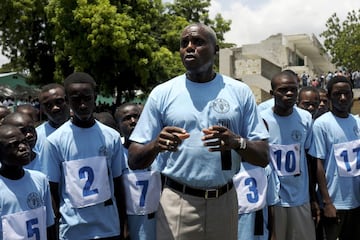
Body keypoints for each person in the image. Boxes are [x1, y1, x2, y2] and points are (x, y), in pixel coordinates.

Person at [128, 23, 269, 240]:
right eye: (184, 43)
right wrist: (156, 144)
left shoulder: (239, 92)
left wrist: (236, 142)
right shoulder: (162, 93)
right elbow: (134, 159)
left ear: (216, 49)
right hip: (178, 201)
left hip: (225, 199)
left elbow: (262, 156)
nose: (190, 47)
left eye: (198, 42)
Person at [41, 72, 126, 239]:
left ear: (95, 96)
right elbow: (52, 190)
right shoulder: (55, 141)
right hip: (73, 231)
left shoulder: (111, 136)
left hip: (108, 228)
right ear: (67, 100)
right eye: (75, 99)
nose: (82, 105)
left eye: (87, 98)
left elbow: (117, 184)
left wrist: (122, 224)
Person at [261, 70, 316, 240]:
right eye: (283, 90)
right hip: (272, 200)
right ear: (272, 94)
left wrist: (313, 197)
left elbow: (309, 158)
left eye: (293, 89)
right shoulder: (260, 118)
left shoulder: (306, 118)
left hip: (299, 198)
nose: (290, 93)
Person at [308, 76, 360, 240]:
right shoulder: (322, 124)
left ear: (352, 96)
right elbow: (318, 164)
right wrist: (327, 202)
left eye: (346, 93)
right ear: (329, 97)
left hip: (356, 201)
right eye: (337, 94)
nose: (343, 98)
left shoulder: (357, 122)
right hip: (334, 202)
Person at [0, 124, 55, 239]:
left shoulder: (40, 179)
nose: (23, 147)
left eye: (24, 142)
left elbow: (49, 225)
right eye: (13, 145)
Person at [114, 102, 160, 240]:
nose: (133, 121)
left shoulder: (159, 149)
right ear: (118, 126)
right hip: (132, 226)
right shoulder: (116, 154)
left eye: (137, 117)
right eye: (127, 118)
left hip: (159, 223)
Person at [35, 83, 70, 155]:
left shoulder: (85, 129)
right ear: (42, 109)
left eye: (59, 102)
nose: (55, 108)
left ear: (68, 101)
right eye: (48, 105)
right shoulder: (36, 137)